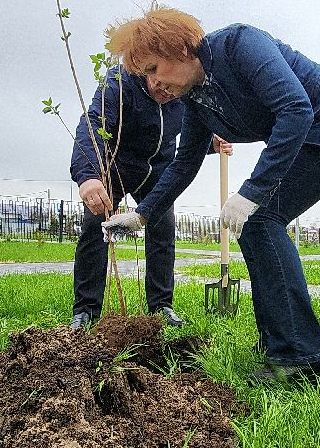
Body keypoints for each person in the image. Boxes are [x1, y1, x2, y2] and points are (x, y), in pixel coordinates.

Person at [101, 6, 320, 384]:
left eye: (152, 69)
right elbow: (185, 163)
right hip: (313, 137)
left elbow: (296, 110)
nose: (152, 84)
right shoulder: (195, 99)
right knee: (257, 224)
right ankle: (279, 346)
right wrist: (142, 214)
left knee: (260, 218)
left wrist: (252, 193)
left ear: (179, 49)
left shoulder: (239, 45)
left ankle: (300, 359)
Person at [69, 65, 230, 328]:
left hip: (157, 170)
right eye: (159, 82)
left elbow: (189, 137)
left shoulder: (185, 89)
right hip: (114, 167)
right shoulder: (119, 82)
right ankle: (86, 310)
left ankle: (161, 306)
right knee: (94, 226)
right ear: (146, 66)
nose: (165, 91)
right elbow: (93, 124)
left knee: (163, 227)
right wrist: (88, 176)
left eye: (172, 87)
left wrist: (208, 143)